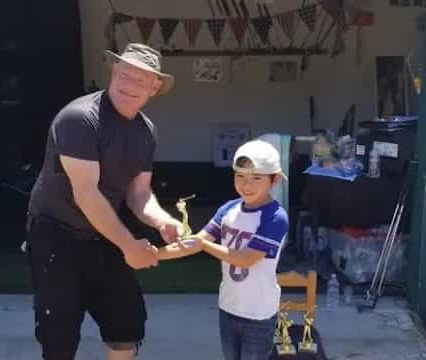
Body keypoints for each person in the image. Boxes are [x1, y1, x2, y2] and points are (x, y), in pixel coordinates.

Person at [26, 43, 184, 360]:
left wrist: (161, 219)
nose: (129, 85)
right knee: (58, 334)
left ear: (154, 88)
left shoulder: (145, 131)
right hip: (55, 232)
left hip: (102, 232)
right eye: (125, 74)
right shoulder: (80, 119)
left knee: (126, 321)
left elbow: (138, 194)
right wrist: (129, 246)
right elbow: (87, 194)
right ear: (113, 71)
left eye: (141, 80)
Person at [185, 139, 289, 360]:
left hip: (259, 314)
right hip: (228, 307)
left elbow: (245, 259)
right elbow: (196, 241)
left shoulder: (276, 217)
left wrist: (202, 244)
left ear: (275, 179)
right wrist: (157, 252)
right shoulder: (228, 209)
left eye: (256, 178)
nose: (246, 185)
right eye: (240, 176)